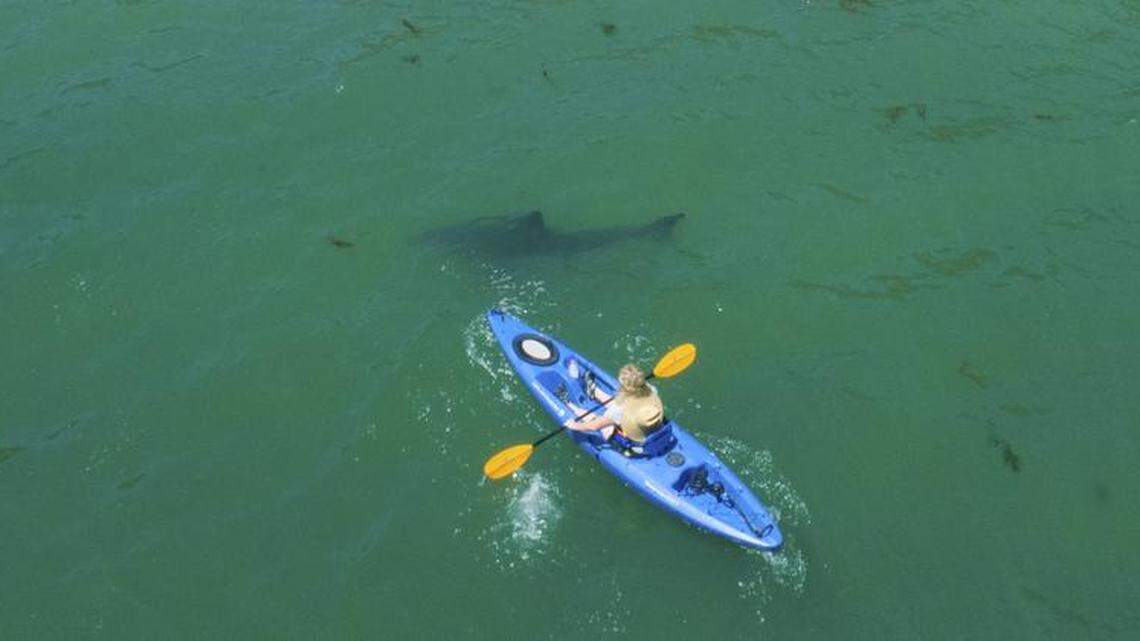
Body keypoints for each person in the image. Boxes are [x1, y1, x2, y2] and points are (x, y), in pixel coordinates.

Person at [564, 364, 665, 446]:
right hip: (646, 425)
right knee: (617, 403)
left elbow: (593, 427)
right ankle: (594, 391)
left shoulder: (617, 411)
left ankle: (570, 405)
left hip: (636, 442)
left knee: (602, 424)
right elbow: (624, 403)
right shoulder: (651, 390)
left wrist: (575, 425)